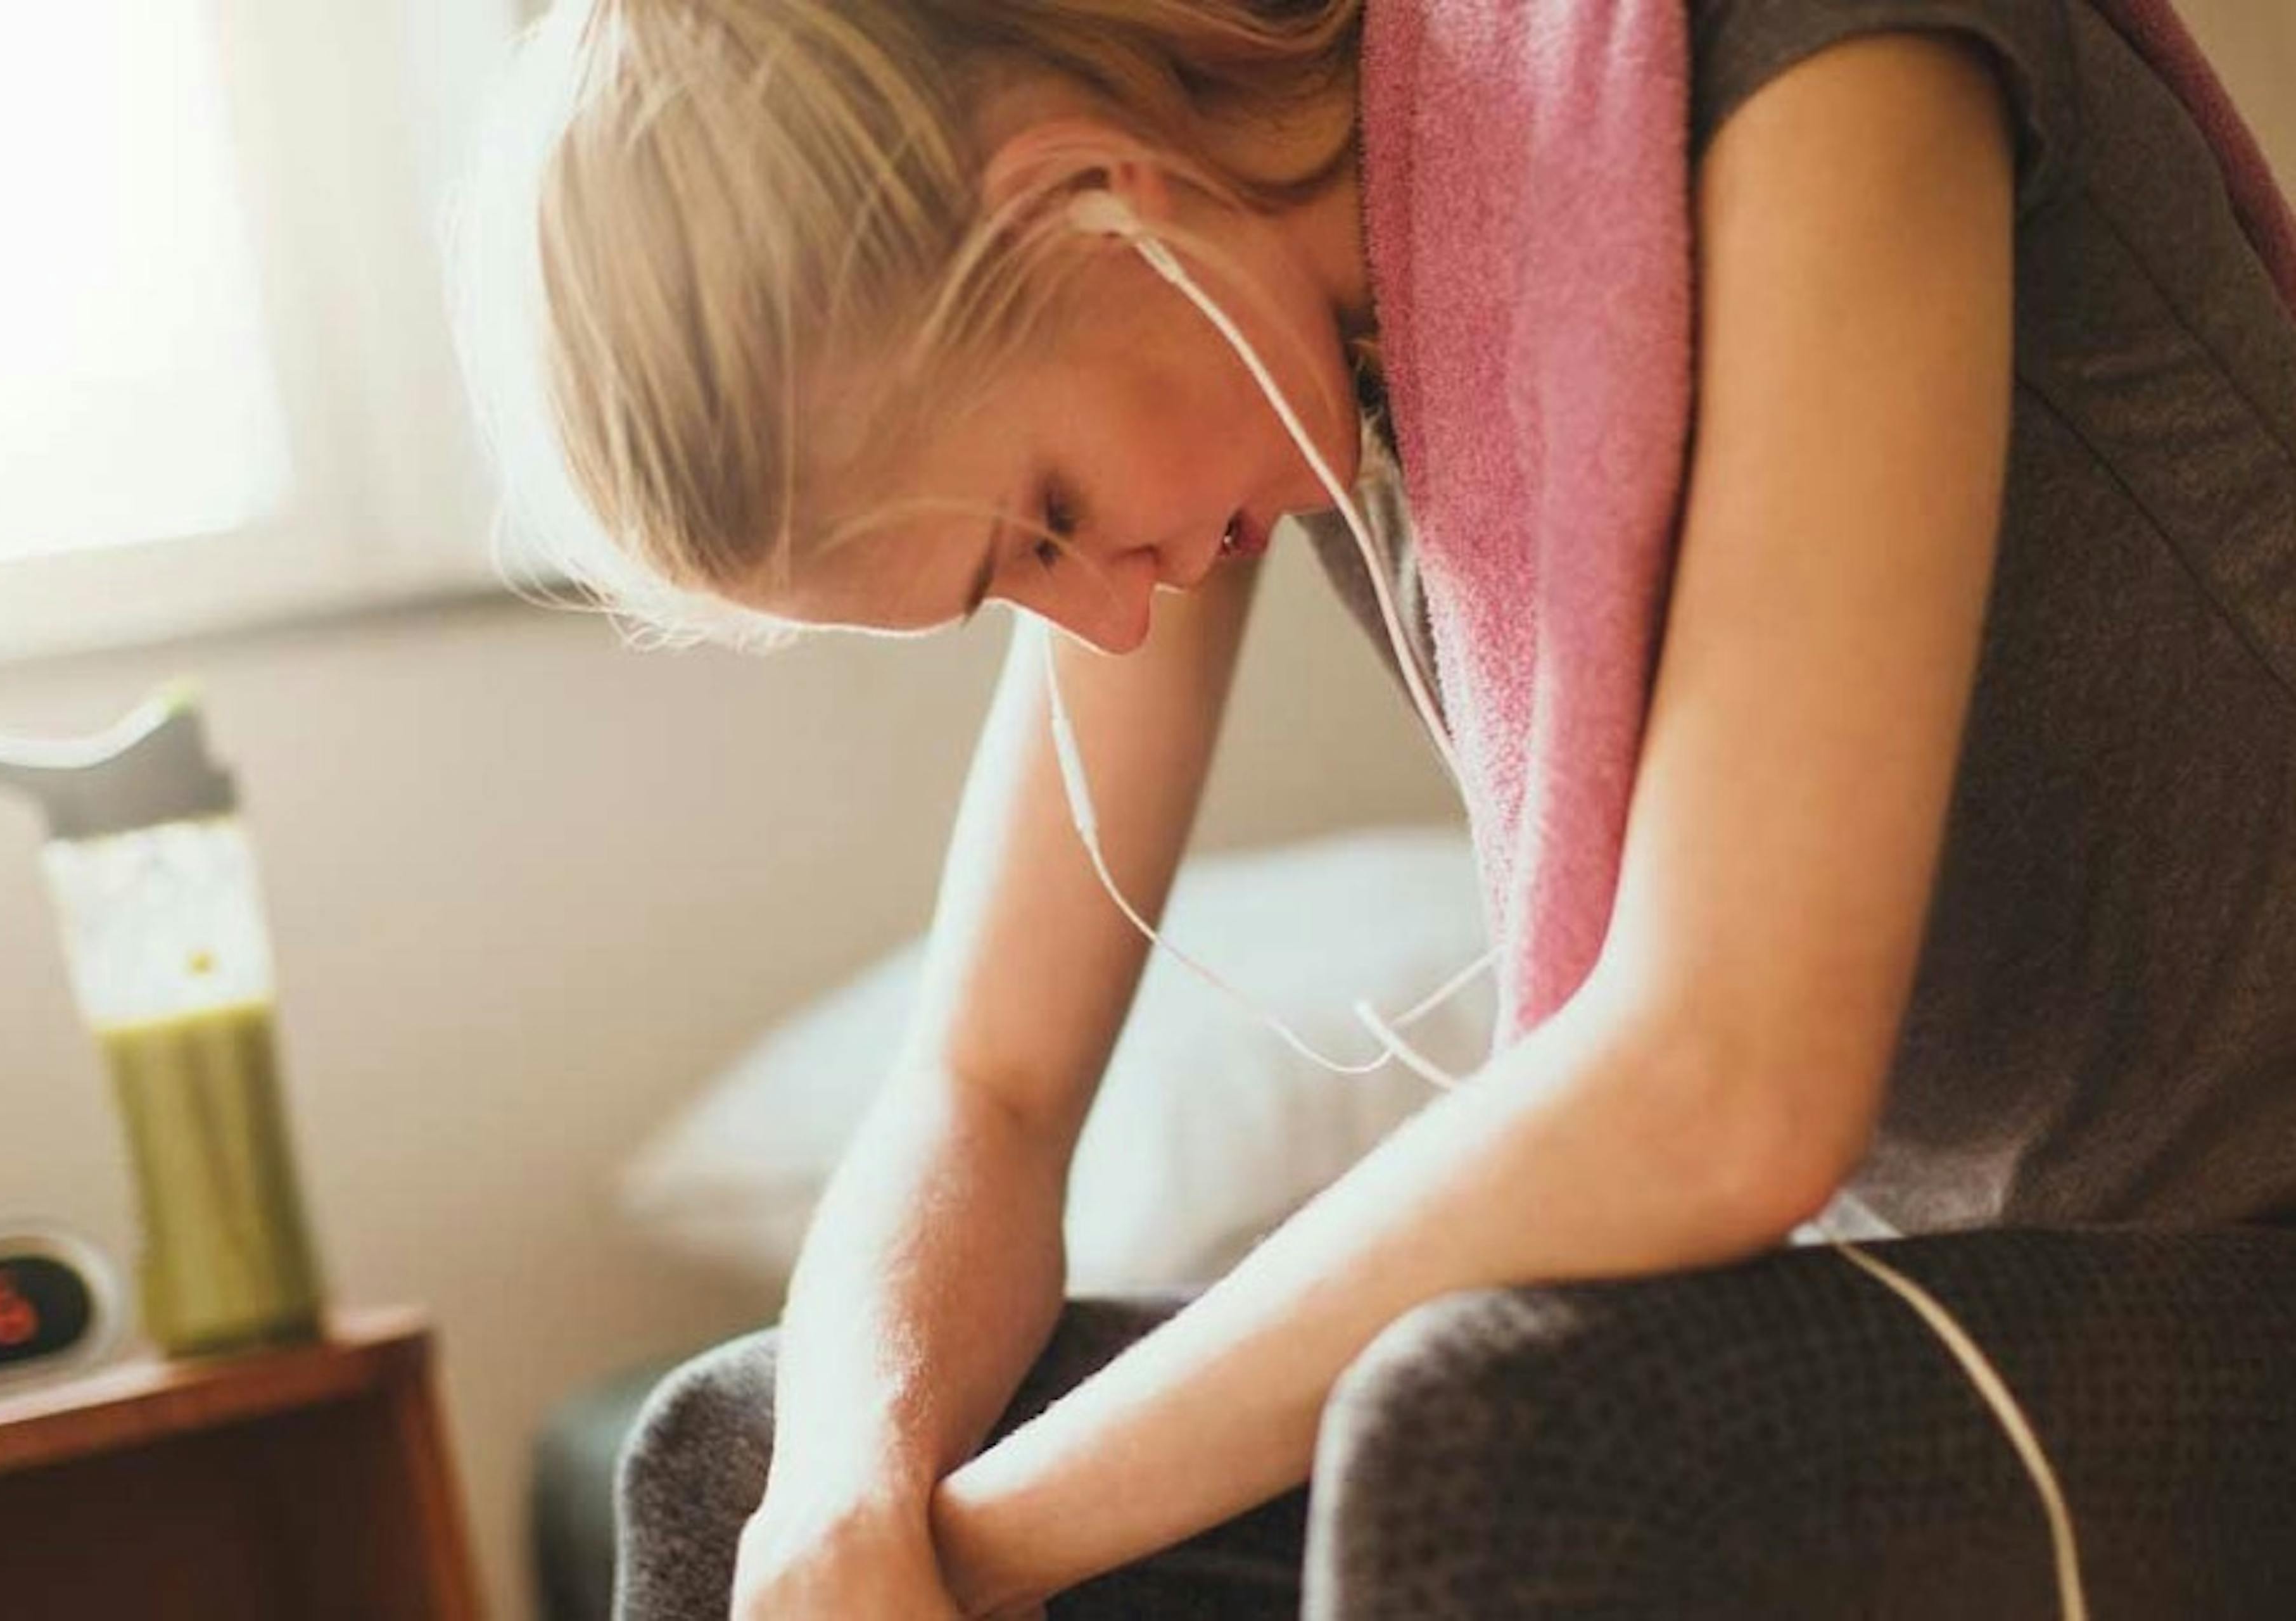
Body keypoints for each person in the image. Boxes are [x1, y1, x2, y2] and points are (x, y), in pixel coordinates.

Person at [454, 0, 2296, 1614]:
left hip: (2242, 1262)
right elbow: (984, 1087)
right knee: (733, 1458)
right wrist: (840, 1507)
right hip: (1935, 1314)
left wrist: (968, 1551)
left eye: (1049, 518)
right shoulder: (1255, 300)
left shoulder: (1792, 55)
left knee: (1492, 1437)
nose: (1101, 612)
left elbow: (1722, 1085)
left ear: (1090, 196)